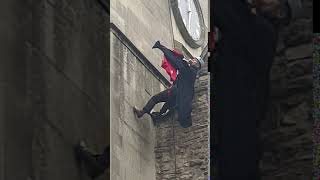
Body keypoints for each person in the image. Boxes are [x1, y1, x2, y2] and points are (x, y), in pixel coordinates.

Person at [212, 0, 281, 179]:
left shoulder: (261, 31)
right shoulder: (256, 28)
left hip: (236, 124)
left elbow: (224, 11)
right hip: (236, 124)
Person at [133, 41, 204, 128]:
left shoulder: (191, 71)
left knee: (156, 99)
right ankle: (157, 117)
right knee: (165, 108)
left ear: (197, 65)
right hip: (176, 96)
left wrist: (162, 48)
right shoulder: (191, 72)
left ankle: (142, 112)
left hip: (175, 93)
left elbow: (177, 63)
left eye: (194, 60)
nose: (192, 60)